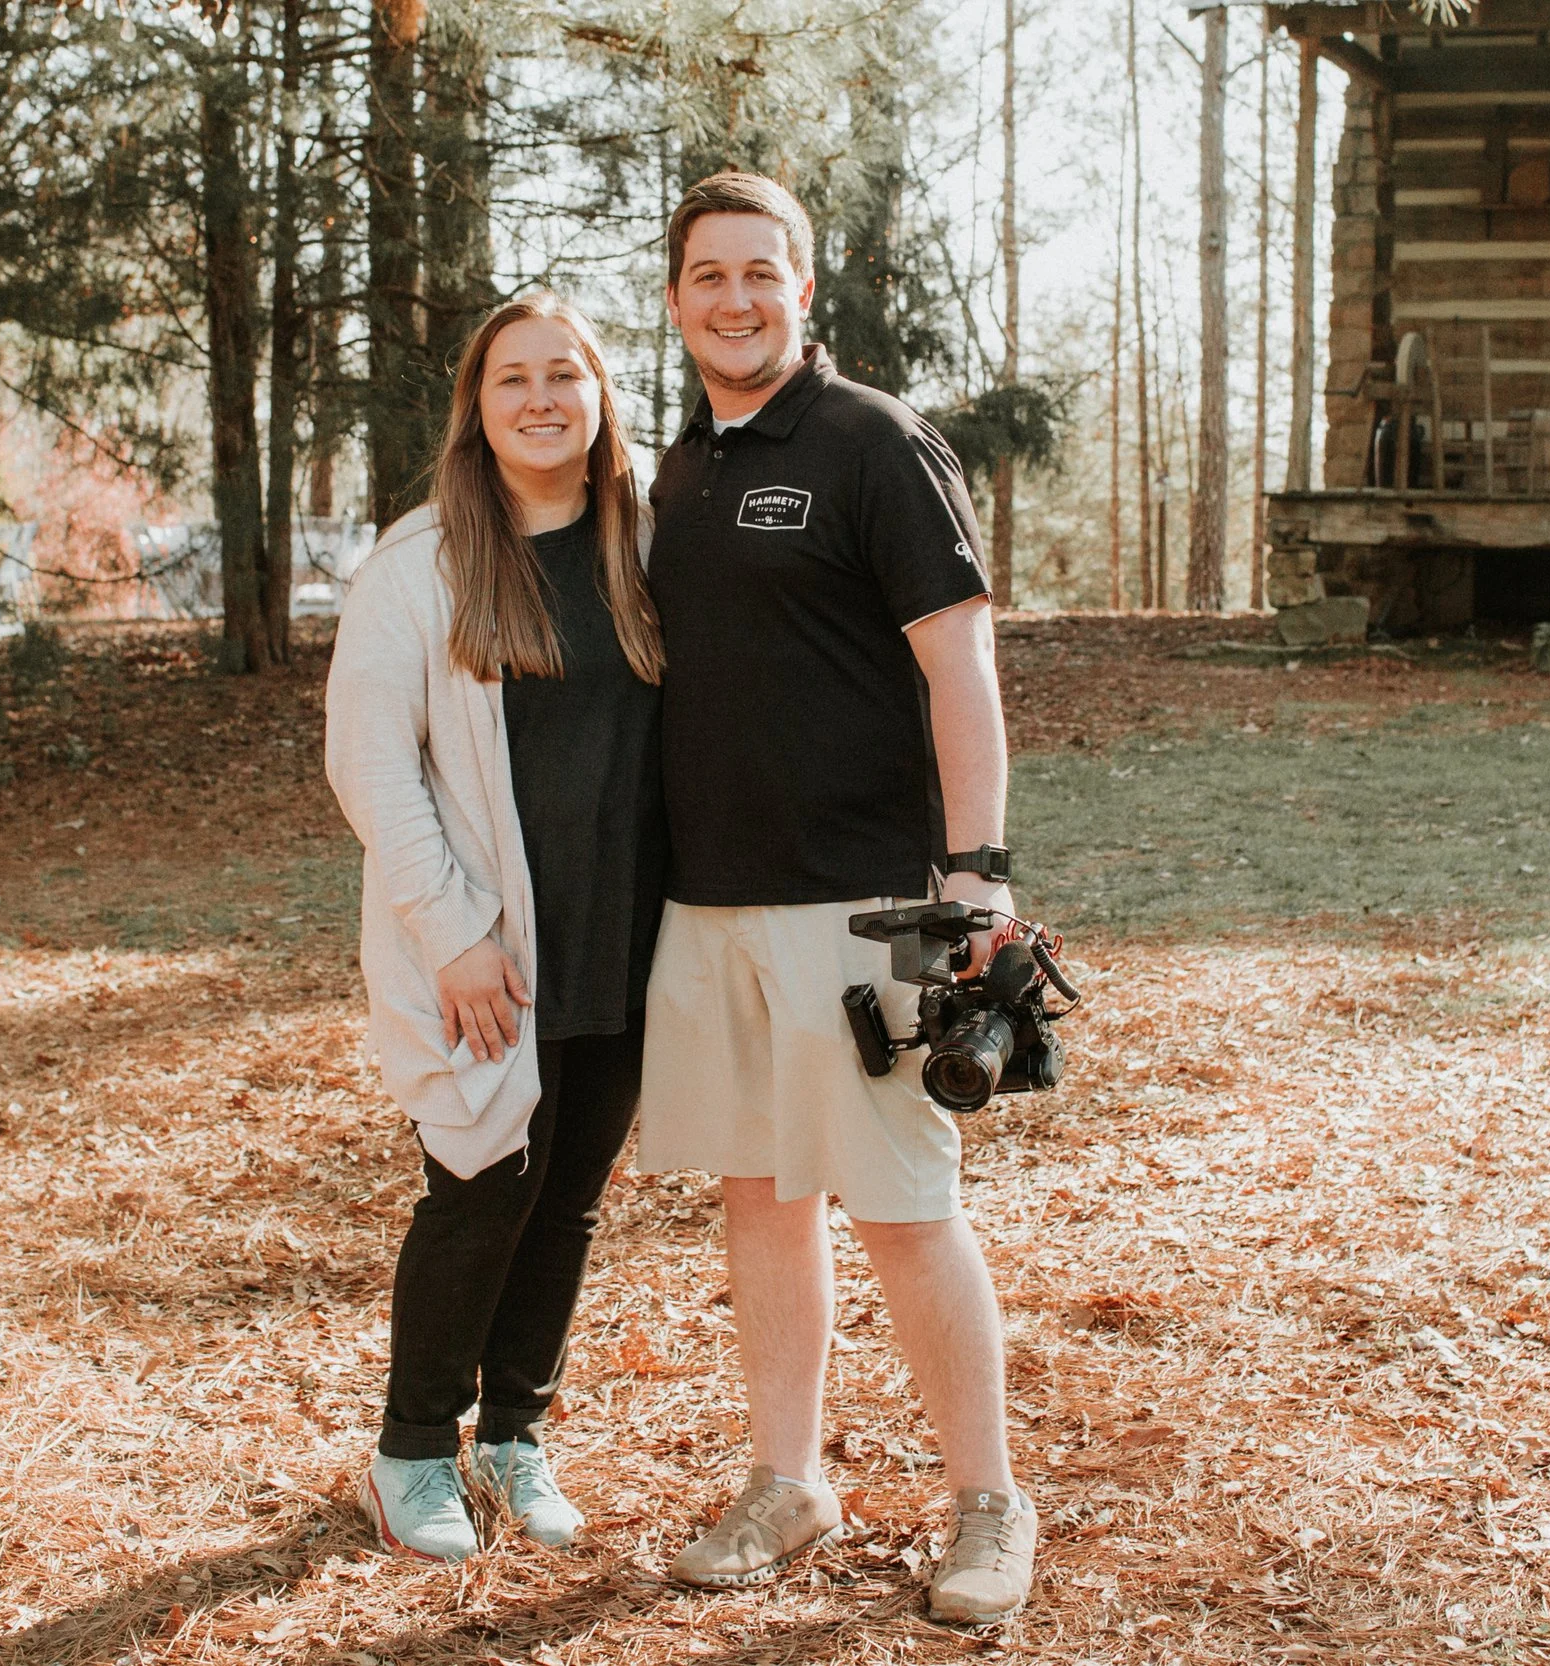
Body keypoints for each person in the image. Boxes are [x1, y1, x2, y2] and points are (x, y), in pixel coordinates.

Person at [636, 173, 1037, 1623]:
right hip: (709, 904)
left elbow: (961, 667)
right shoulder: (676, 468)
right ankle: (789, 1476)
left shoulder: (876, 442)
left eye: (761, 272)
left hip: (864, 906)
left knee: (904, 1203)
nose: (734, 299)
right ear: (675, 298)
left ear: (806, 289)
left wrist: (976, 872)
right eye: (707, 276)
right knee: (762, 1195)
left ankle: (989, 1500)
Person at [324, 293, 668, 1562]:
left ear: (598, 396)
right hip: (485, 944)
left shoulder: (644, 546)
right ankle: (411, 1450)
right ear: (475, 405)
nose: (539, 398)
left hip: (624, 935)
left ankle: (514, 1433)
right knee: (480, 1189)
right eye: (511, 378)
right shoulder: (422, 561)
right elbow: (371, 765)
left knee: (567, 1196)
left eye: (563, 375)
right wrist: (454, 931)